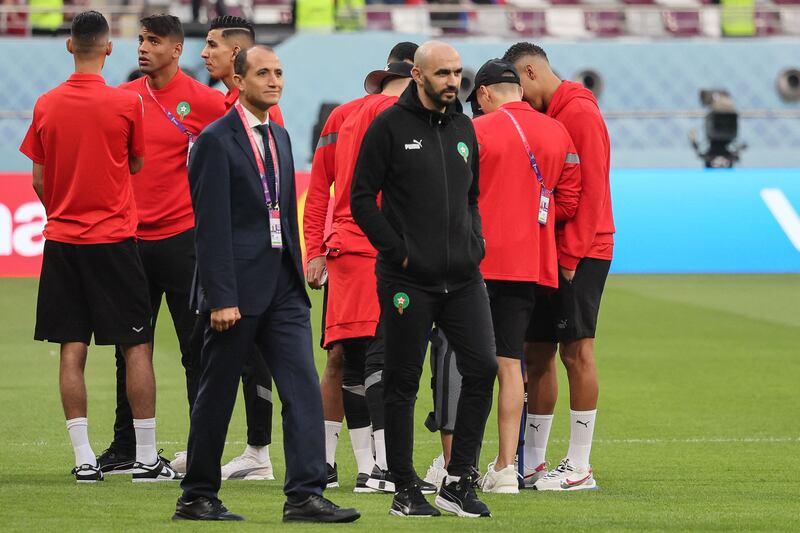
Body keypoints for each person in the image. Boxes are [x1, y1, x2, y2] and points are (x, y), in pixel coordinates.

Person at [174, 45, 360, 523]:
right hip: (235, 292)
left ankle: (304, 495)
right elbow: (210, 224)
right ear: (237, 81)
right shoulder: (214, 140)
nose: (274, 81)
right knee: (216, 395)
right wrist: (220, 296)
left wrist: (301, 271)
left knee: (301, 389)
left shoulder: (280, 134)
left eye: (278, 72)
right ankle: (196, 495)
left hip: (283, 289)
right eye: (262, 73)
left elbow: (281, 211)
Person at [19, 10, 177, 483]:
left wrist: (63, 212)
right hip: (114, 240)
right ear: (109, 49)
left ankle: (85, 458)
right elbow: (135, 163)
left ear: (70, 46)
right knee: (136, 345)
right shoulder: (127, 105)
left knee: (72, 347)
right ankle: (146, 458)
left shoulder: (46, 104)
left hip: (64, 241)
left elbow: (39, 180)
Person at [351, 41, 497, 518]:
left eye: (457, 73)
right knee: (402, 382)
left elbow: (472, 197)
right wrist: (400, 252)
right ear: (417, 74)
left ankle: (457, 481)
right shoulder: (388, 126)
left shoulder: (463, 127)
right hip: (407, 281)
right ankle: (405, 490)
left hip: (463, 278)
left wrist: (474, 243)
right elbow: (360, 198)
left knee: (483, 369)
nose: (454, 82)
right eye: (443, 74)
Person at [95, 13, 227, 477]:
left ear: (176, 50)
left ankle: (200, 449)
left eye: (154, 41)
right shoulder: (122, 99)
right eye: (141, 39)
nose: (143, 47)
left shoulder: (206, 101)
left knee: (196, 350)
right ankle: (124, 446)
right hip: (128, 241)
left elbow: (240, 148)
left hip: (183, 241)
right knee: (128, 349)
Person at [302, 41, 418, 489]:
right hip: (386, 251)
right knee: (380, 360)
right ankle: (380, 468)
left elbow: (319, 192)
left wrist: (315, 250)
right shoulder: (410, 121)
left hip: (344, 249)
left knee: (343, 359)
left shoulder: (343, 116)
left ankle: (348, 466)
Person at [503, 42, 615, 491]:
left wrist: (570, 256)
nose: (520, 101)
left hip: (582, 252)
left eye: (519, 88)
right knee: (537, 353)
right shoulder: (554, 115)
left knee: (576, 351)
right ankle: (532, 461)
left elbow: (593, 192)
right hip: (550, 251)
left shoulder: (581, 114)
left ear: (531, 71)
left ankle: (581, 465)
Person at [466, 59, 581, 493]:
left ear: (484, 94)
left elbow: (456, 194)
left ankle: (457, 461)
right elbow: (569, 201)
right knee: (511, 364)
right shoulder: (558, 131)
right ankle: (505, 468)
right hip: (530, 264)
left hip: (476, 262)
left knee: (464, 362)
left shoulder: (477, 131)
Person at [191, 14, 279, 480]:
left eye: (212, 46)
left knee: (248, 356)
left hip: (249, 259)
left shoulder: (258, 115)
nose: (204, 53)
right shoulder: (227, 107)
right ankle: (231, 449)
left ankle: (258, 450)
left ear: (236, 56)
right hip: (235, 252)